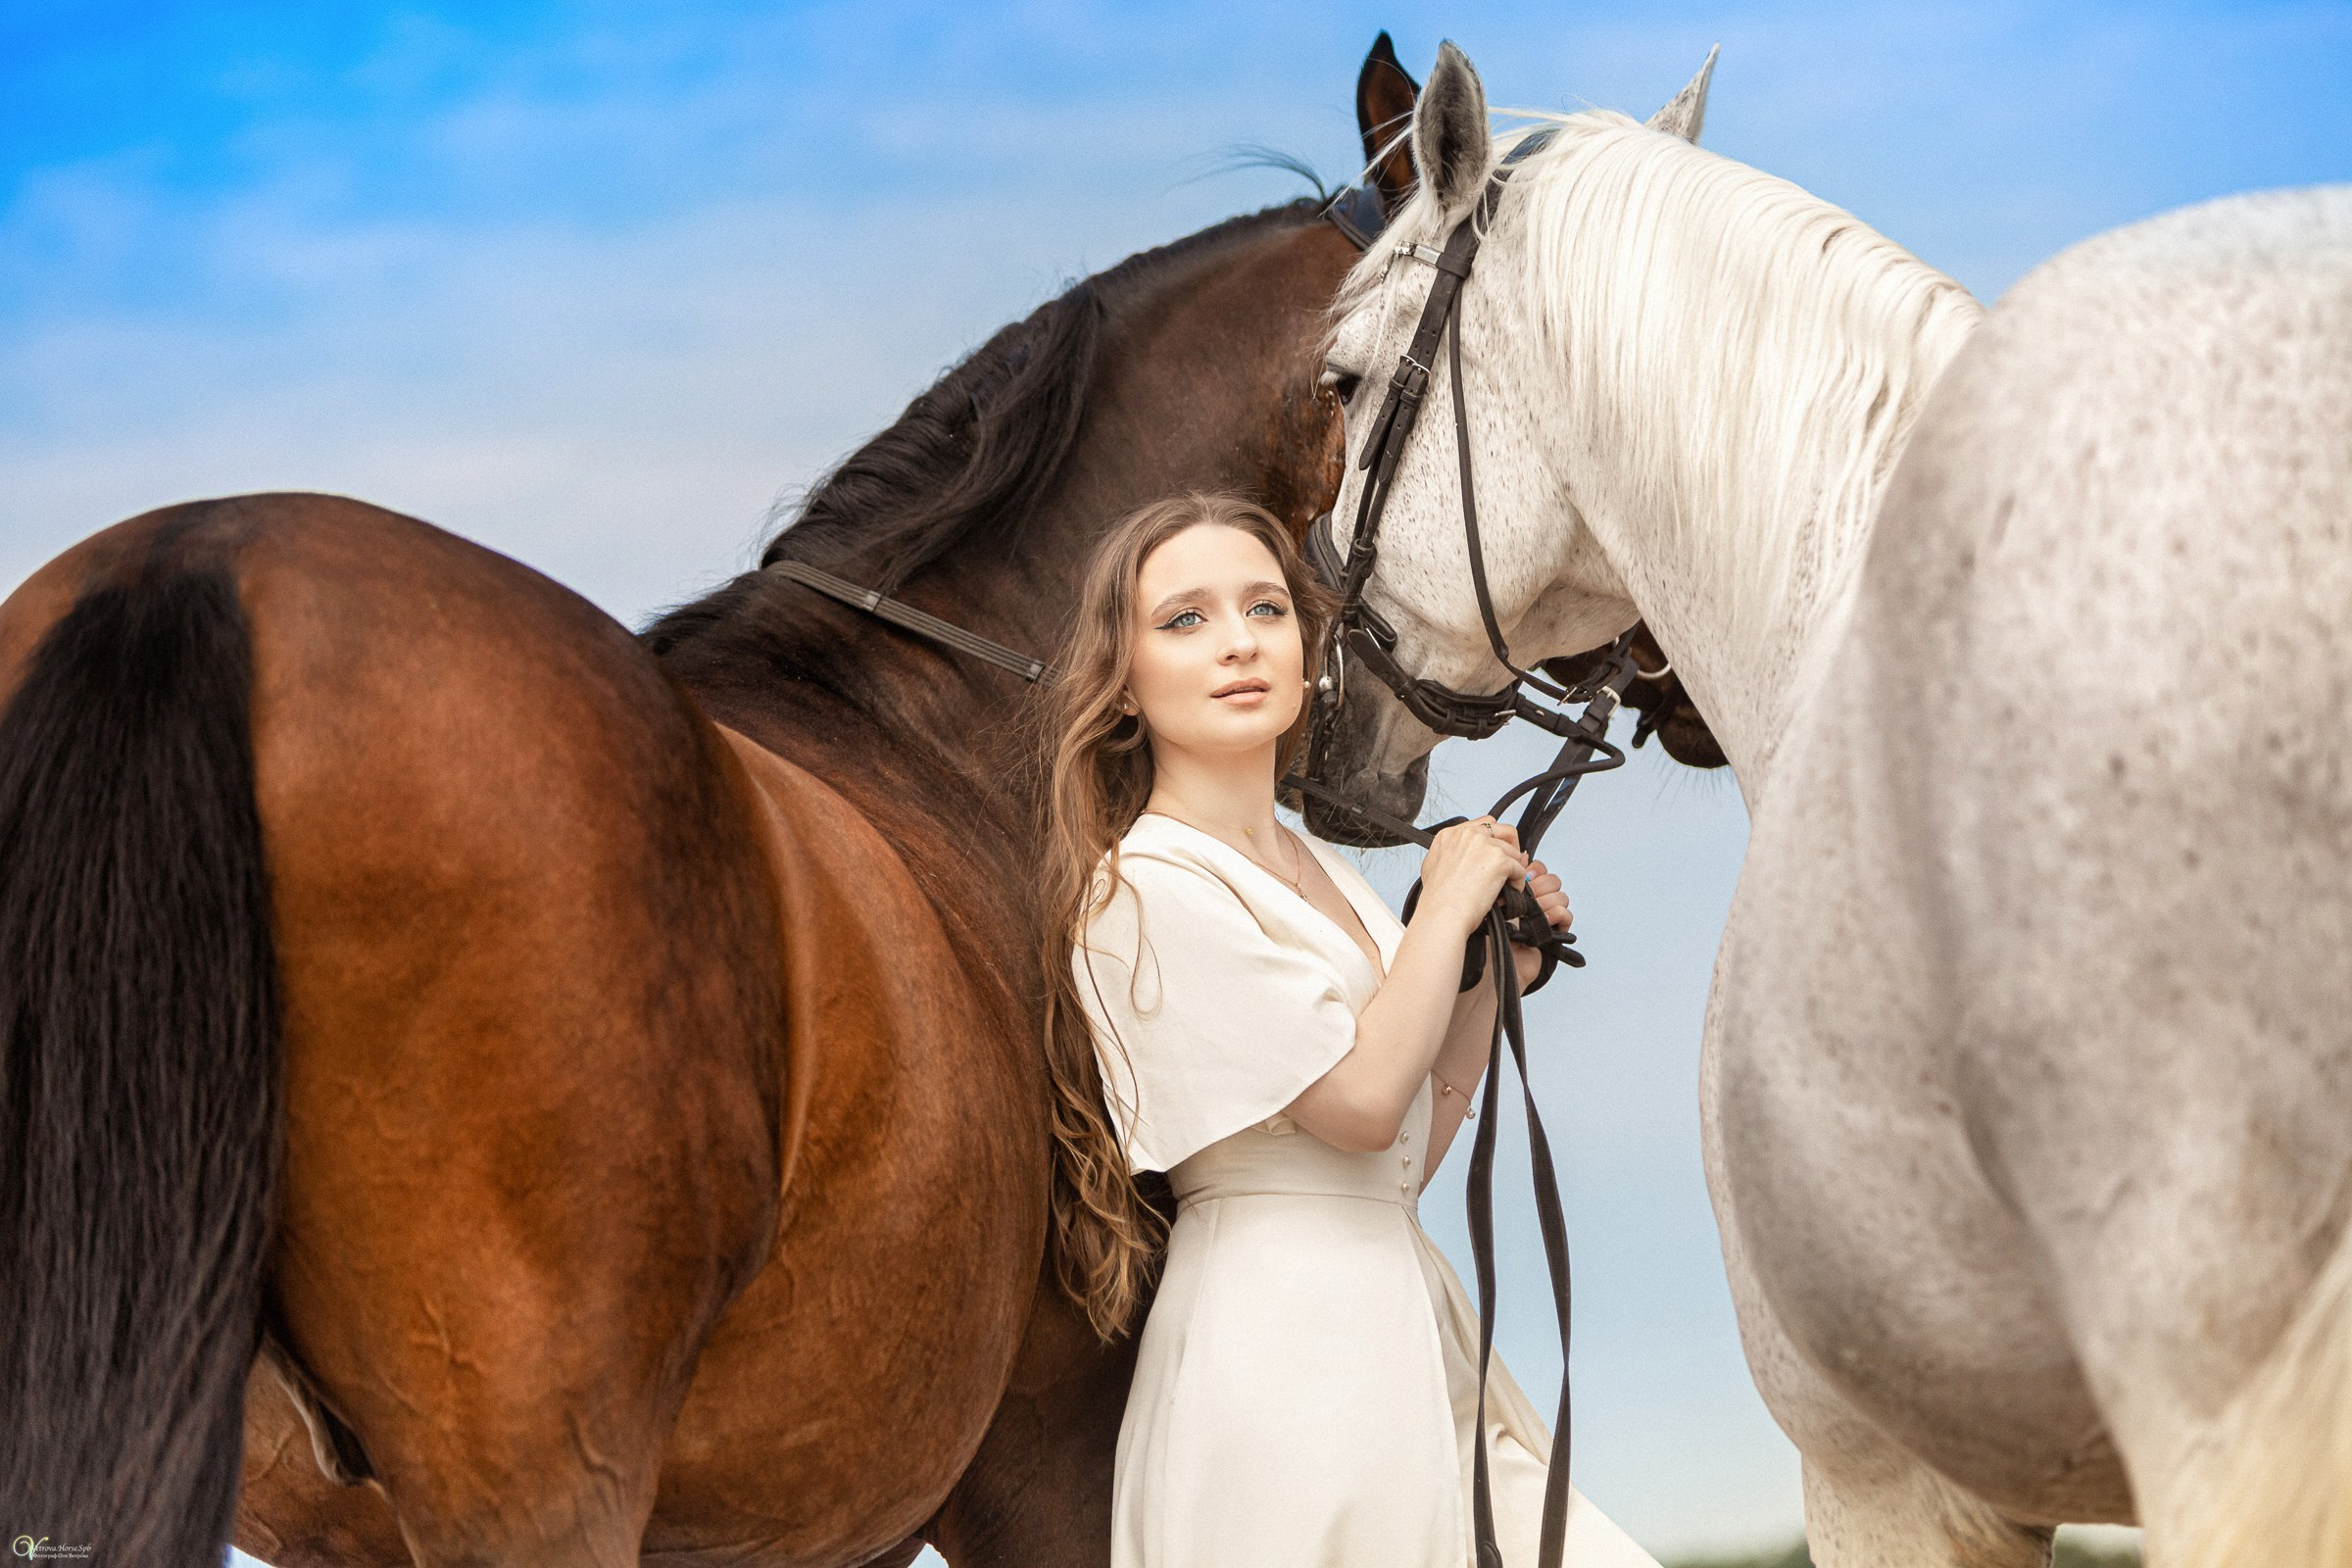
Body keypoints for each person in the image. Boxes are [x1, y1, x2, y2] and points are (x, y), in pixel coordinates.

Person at [1030, 492, 1662, 1568]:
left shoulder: (1321, 872)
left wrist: (1485, 982)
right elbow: (1362, 1107)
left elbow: (1404, 1147)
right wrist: (1450, 906)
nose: (1238, 641)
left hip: (1404, 1328)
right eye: (1185, 620)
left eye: (1265, 608)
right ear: (1123, 682)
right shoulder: (1141, 887)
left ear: (1306, 648)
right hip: (1283, 1373)